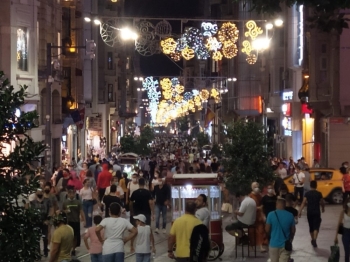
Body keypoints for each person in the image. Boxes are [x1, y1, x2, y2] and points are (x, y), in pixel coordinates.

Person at [298, 180, 325, 247]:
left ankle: (312, 238)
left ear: (310, 186)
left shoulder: (307, 194)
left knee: (311, 226)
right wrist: (323, 208)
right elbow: (322, 202)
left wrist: (300, 211)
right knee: (316, 226)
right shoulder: (319, 193)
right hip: (317, 212)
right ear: (316, 186)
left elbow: (303, 202)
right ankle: (315, 239)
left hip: (309, 212)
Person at [130, 177, 154, 253]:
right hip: (146, 213)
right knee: (148, 230)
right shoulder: (147, 192)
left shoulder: (135, 192)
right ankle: (149, 245)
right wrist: (152, 212)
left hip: (137, 213)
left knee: (135, 230)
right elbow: (150, 202)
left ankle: (131, 246)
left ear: (138, 183)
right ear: (144, 184)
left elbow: (130, 202)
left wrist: (132, 212)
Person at [62, 187, 86, 256]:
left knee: (75, 236)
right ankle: (68, 248)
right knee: (69, 236)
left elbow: (81, 211)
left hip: (76, 221)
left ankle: (73, 249)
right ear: (68, 194)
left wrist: (84, 219)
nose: (72, 195)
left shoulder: (78, 202)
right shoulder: (65, 202)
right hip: (68, 221)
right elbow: (62, 210)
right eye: (70, 193)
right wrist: (65, 211)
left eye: (73, 193)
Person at [30, 188, 53, 257]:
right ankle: (38, 252)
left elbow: (51, 209)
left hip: (44, 221)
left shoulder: (47, 201)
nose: (39, 193)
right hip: (36, 221)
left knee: (45, 237)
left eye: (41, 192)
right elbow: (31, 212)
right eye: (38, 192)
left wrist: (48, 219)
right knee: (37, 238)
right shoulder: (33, 202)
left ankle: (45, 251)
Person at [249, 182, 267, 252]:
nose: (257, 188)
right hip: (253, 216)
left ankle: (261, 246)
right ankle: (252, 245)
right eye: (255, 186)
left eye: (257, 186)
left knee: (260, 231)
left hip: (259, 216)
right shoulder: (250, 196)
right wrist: (258, 208)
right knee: (252, 232)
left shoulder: (260, 196)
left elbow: (262, 205)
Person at [335, 197, 350, 262]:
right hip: (346, 232)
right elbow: (339, 224)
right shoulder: (343, 212)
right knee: (347, 252)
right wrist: (336, 236)